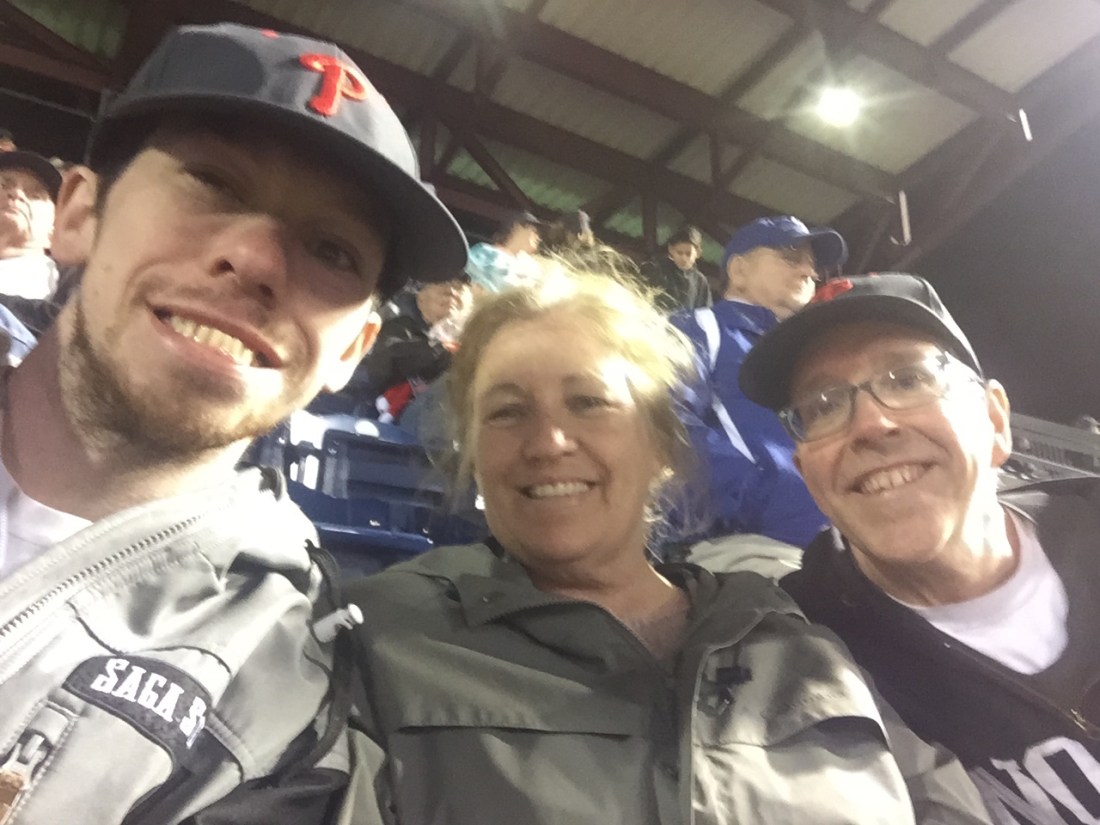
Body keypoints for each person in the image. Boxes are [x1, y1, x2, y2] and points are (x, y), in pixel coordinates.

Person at [0, 21, 465, 825]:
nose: (258, 258)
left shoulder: (289, 702)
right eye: (212, 182)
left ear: (352, 351)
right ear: (78, 213)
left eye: (332, 249)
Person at [342, 269, 992, 824]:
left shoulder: (796, 637)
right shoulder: (383, 634)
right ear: (473, 453)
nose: (549, 442)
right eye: (507, 412)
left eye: (588, 402)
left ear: (659, 444)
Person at [739, 272, 1100, 825]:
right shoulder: (800, 655)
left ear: (995, 420)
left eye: (907, 379)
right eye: (824, 405)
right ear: (808, 476)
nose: (871, 423)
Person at [671, 215, 846, 575]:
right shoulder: (698, 327)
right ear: (739, 270)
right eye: (790, 257)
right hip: (747, 547)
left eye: (812, 265)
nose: (808, 272)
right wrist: (772, 499)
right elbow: (667, 427)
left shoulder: (810, 356)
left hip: (840, 549)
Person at [337, 275, 471, 420]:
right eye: (444, 288)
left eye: (459, 289)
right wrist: (440, 350)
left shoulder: (472, 341)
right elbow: (384, 365)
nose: (452, 293)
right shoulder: (397, 324)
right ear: (421, 299)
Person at [0, 149, 62, 299]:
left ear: (53, 232)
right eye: (3, 185)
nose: (17, 193)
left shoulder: (62, 291)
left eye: (35, 195)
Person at [638, 225, 712, 313]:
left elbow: (705, 313)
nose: (683, 258)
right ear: (671, 249)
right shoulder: (656, 269)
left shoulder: (700, 282)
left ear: (698, 253)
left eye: (688, 254)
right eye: (679, 253)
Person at [465, 210, 542, 293]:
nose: (538, 238)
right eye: (534, 231)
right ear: (517, 228)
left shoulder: (531, 268)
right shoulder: (485, 252)